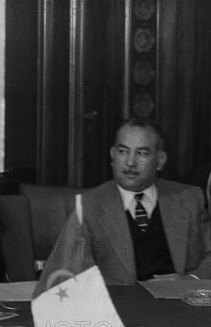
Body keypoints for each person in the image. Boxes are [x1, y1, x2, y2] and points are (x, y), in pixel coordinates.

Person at [38, 118, 211, 290]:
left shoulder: (189, 198)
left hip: (180, 306)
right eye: (123, 151)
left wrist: (191, 280)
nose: (130, 162)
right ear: (112, 156)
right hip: (120, 308)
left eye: (142, 153)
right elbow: (69, 274)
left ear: (160, 160)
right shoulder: (89, 206)